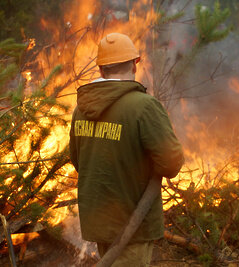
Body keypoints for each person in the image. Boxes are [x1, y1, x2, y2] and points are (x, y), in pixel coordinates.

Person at [69, 32, 184, 266]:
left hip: (98, 220)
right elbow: (171, 163)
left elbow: (77, 161)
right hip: (132, 224)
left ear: (101, 70)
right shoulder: (143, 106)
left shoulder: (80, 109)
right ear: (134, 65)